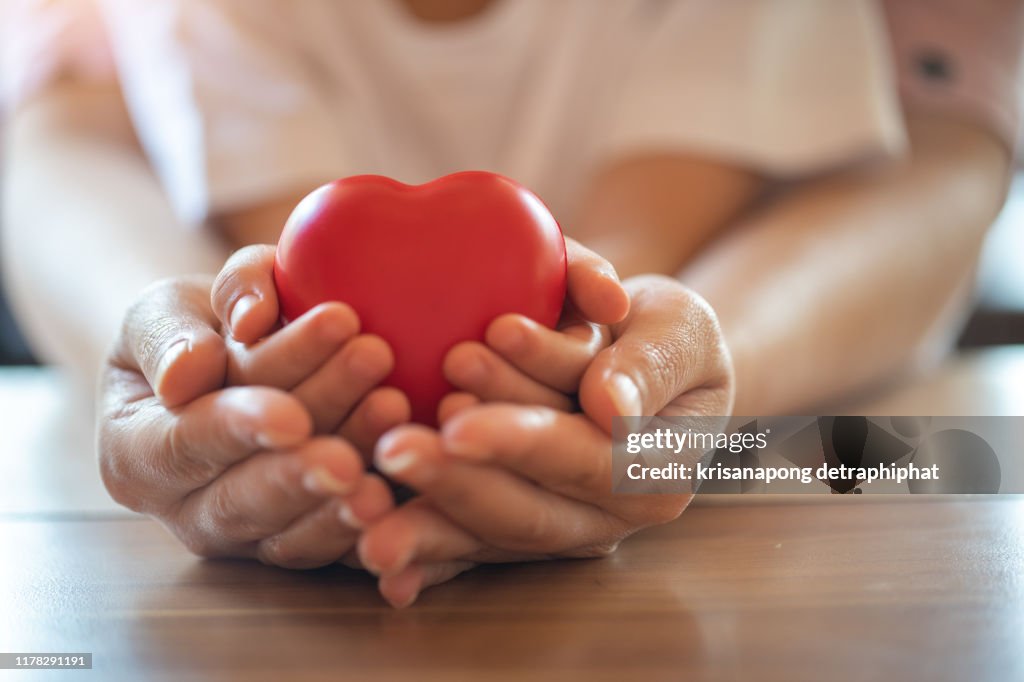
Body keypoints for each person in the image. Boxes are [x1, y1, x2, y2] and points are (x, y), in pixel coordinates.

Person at [2, 0, 1019, 608]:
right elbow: (65, 134)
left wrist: (698, 385)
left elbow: (946, 139)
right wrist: (180, 367)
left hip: (823, 452)